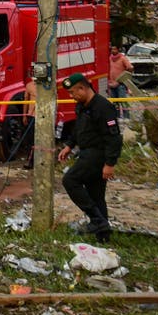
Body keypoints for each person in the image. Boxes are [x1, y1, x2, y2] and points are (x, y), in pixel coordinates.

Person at [57, 72, 122, 242]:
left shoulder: (102, 106)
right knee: (96, 195)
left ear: (83, 88)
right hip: (86, 151)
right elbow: (79, 129)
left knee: (70, 180)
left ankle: (96, 220)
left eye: (73, 92)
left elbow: (113, 136)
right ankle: (104, 236)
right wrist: (69, 145)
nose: (72, 96)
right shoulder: (82, 106)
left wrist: (110, 163)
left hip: (97, 154)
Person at [108, 45, 133, 119]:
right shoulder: (110, 58)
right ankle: (117, 117)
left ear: (118, 50)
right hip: (112, 84)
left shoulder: (122, 58)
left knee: (123, 101)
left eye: (114, 49)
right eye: (112, 49)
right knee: (115, 103)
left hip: (120, 84)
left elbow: (130, 68)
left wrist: (124, 78)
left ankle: (127, 117)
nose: (113, 51)